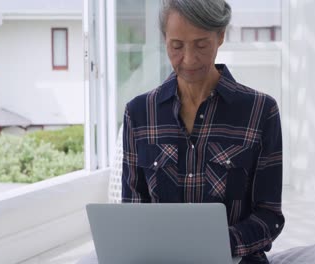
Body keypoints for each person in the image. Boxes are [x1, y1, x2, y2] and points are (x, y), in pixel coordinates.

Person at [122, 0, 285, 263]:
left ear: (220, 36)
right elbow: (132, 211)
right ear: (165, 40)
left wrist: (216, 245)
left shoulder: (261, 111)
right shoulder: (139, 113)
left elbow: (269, 216)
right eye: (176, 46)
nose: (188, 59)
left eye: (201, 44)